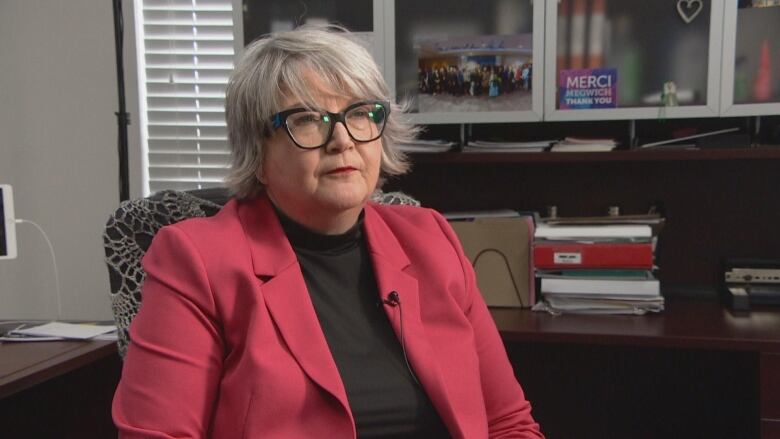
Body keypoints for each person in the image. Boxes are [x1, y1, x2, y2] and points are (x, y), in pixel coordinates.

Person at [112, 24, 543, 439]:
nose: (342, 140)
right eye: (307, 120)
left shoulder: (431, 239)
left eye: (360, 114)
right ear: (257, 153)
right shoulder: (196, 263)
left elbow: (507, 423)